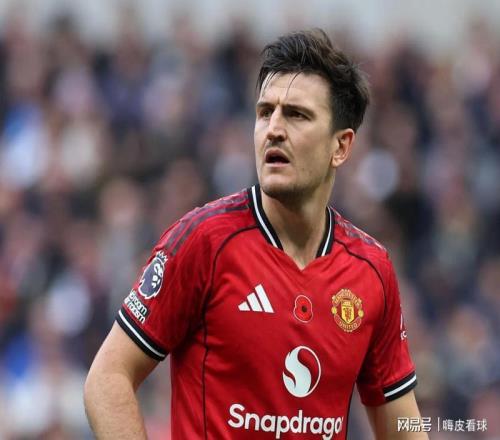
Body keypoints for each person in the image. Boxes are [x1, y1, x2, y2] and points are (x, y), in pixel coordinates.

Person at [84, 29, 427, 439]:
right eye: (265, 112)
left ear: (341, 146)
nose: (273, 129)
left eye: (296, 115)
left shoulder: (371, 270)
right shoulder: (204, 241)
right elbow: (107, 377)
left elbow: (403, 426)